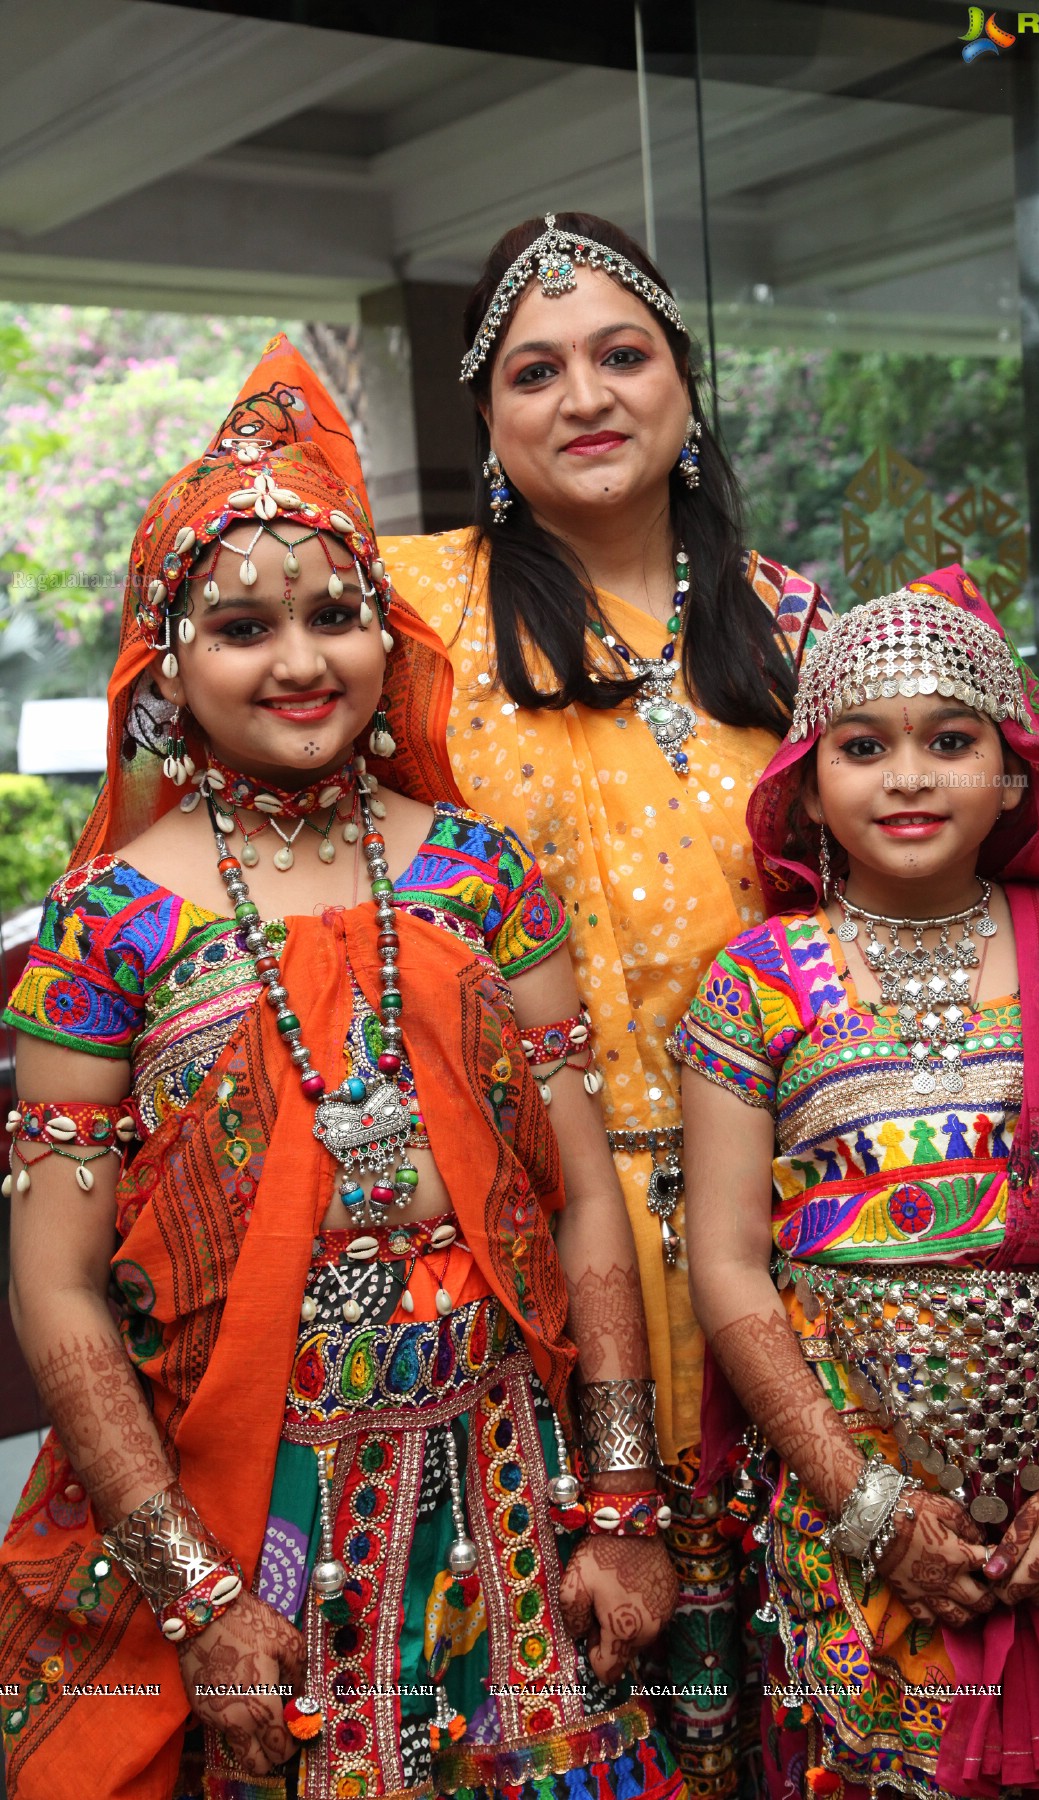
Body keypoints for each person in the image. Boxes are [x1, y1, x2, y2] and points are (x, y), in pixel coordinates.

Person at [0, 337, 684, 1800]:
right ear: (164, 662)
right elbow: (56, 1282)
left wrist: (621, 1501)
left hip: (509, 1475)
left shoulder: (487, 879)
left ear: (392, 637)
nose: (301, 660)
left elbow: (579, 1210)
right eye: (242, 627)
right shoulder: (108, 926)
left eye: (335, 614)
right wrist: (195, 1595)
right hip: (248, 1509)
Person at [381, 213, 830, 1799]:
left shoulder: (802, 632)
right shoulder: (403, 621)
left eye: (623, 354)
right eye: (535, 369)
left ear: (688, 390)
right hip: (523, 1246)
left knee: (827, 1688)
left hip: (793, 1237)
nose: (586, 395)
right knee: (567, 1701)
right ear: (486, 422)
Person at [676, 565, 1039, 1797]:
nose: (908, 774)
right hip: (859, 1511)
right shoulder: (755, 982)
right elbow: (727, 1261)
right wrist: (867, 1507)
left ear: (1014, 773)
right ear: (807, 783)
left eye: (950, 740)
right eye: (863, 745)